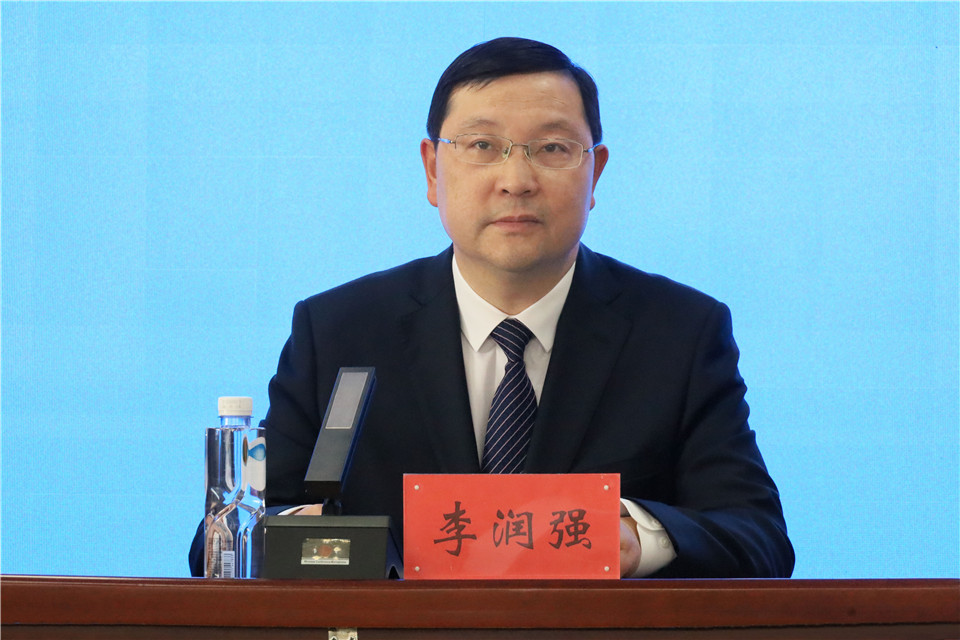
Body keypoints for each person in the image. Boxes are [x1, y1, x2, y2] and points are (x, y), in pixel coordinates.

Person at [189, 37, 794, 578]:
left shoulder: (679, 333)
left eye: (552, 147)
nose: (516, 179)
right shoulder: (340, 331)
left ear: (595, 173)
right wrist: (301, 538)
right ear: (433, 170)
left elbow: (758, 538)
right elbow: (220, 548)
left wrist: (639, 537)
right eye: (482, 145)